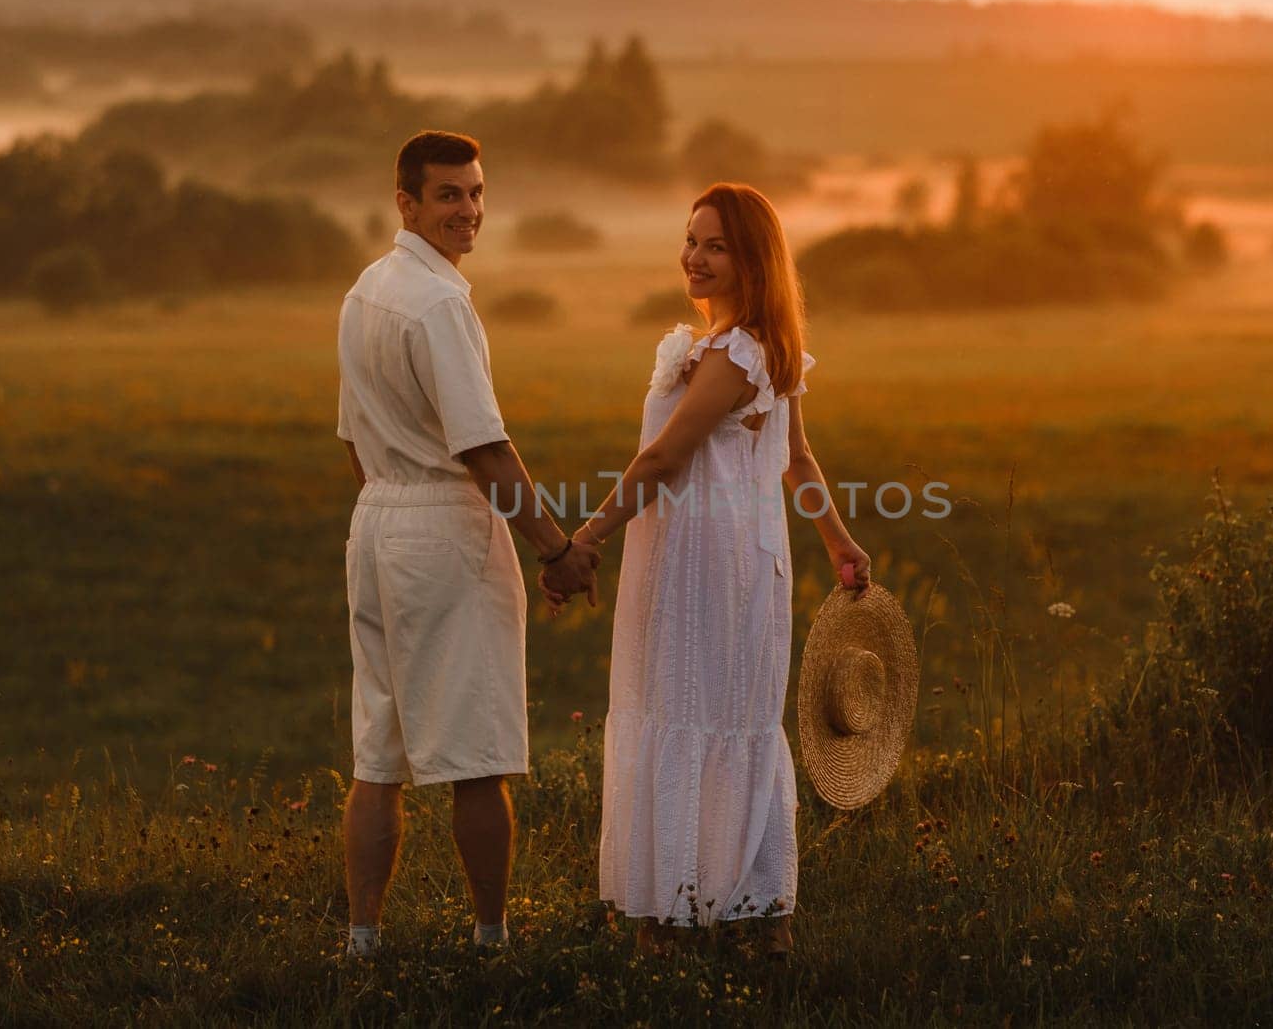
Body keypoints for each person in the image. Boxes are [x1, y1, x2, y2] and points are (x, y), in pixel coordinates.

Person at [565, 183, 871, 958]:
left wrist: (587, 535)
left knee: (693, 707)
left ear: (751, 261)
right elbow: (798, 461)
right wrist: (839, 544)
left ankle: (675, 916)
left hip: (704, 562)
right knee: (725, 713)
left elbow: (666, 457)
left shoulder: (739, 351)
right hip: (736, 556)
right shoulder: (762, 343)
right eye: (690, 239)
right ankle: (742, 913)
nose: (693, 258)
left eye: (715, 245)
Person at [335, 130, 599, 957]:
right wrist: (557, 548)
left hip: (376, 520)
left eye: (477, 192)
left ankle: (364, 941)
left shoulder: (366, 289)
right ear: (406, 203)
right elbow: (485, 448)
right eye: (449, 194)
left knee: (379, 752)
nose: (469, 210)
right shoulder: (441, 302)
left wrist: (392, 502)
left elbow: (350, 436)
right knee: (476, 753)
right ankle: (492, 940)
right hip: (441, 523)